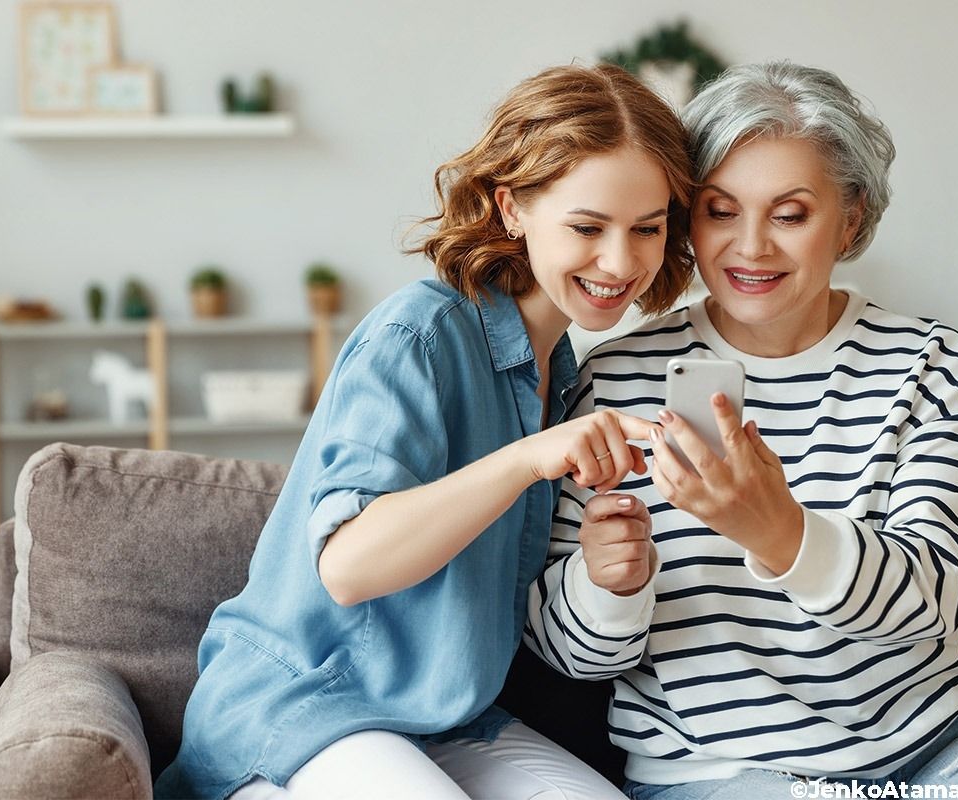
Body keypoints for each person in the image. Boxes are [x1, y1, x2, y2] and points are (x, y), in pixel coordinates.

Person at [526, 61, 958, 797]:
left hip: (937, 744)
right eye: (721, 211)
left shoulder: (932, 365)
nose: (750, 247)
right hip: (717, 769)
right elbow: (569, 653)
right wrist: (607, 585)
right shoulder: (616, 379)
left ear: (850, 218)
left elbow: (939, 597)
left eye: (790, 215)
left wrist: (779, 530)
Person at [152, 63, 698, 800]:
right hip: (305, 714)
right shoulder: (420, 336)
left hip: (447, 722)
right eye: (587, 226)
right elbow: (348, 565)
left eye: (647, 228)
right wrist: (528, 457)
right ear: (512, 208)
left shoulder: (567, 372)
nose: (620, 260)